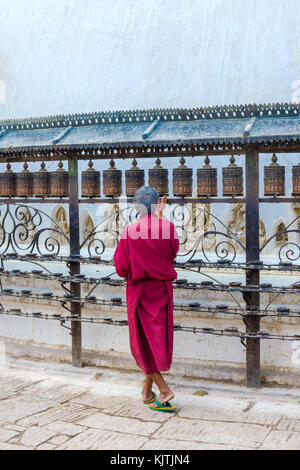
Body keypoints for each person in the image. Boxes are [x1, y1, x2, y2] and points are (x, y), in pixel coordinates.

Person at [113, 186, 180, 412]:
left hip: (140, 293)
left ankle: (164, 390)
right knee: (154, 341)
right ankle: (146, 391)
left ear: (135, 207)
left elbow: (121, 268)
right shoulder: (168, 228)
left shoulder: (130, 232)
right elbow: (171, 254)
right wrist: (160, 217)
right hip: (162, 291)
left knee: (141, 344)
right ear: (157, 204)